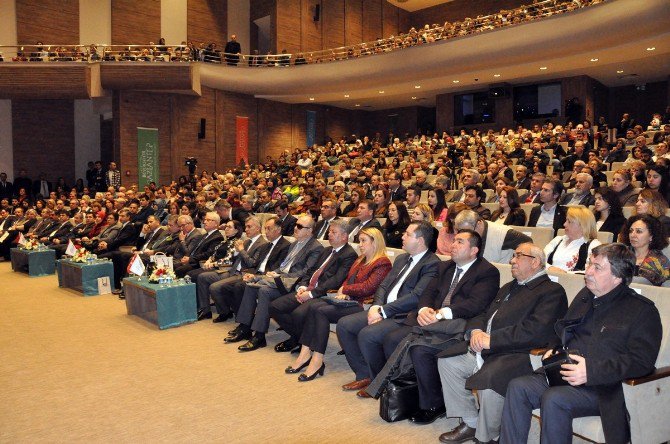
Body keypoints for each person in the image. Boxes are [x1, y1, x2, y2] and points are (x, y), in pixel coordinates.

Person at [500, 243, 662, 444]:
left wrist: (591, 371)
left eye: (597, 268)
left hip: (604, 387)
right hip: (564, 374)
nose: (588, 272)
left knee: (554, 398)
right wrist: (553, 350)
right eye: (589, 265)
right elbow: (562, 330)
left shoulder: (642, 311)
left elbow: (642, 362)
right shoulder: (586, 295)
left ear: (618, 277)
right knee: (518, 386)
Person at [435, 243, 568, 444]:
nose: (512, 260)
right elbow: (483, 313)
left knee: (490, 381)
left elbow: (535, 331)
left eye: (518, 256)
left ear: (535, 262)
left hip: (518, 353)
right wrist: (477, 331)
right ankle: (471, 422)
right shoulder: (510, 286)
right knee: (448, 363)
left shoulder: (552, 292)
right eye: (512, 255)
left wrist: (492, 340)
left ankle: (488, 436)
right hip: (486, 347)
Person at [406, 230, 501, 425]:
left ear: (474, 250)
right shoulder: (445, 266)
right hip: (435, 319)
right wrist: (424, 310)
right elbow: (427, 293)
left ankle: (434, 404)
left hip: (461, 324)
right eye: (454, 240)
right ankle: (413, 394)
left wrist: (441, 313)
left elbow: (477, 304)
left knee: (420, 349)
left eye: (460, 241)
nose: (453, 245)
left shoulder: (487, 272)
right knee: (395, 337)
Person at [337, 221, 440, 397]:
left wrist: (383, 311)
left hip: (403, 315)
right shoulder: (401, 258)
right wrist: (376, 306)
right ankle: (365, 374)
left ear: (421, 240)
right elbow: (383, 286)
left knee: (368, 334)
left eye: (407, 234)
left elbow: (416, 296)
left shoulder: (432, 263)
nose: (402, 236)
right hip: (383, 308)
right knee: (345, 325)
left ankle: (380, 382)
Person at [284, 227, 391, 380]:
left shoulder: (382, 263)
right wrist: (345, 291)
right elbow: (348, 278)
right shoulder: (361, 259)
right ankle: (305, 353)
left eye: (363, 241)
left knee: (319, 311)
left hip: (362, 305)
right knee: (314, 307)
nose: (360, 244)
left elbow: (369, 287)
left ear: (375, 243)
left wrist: (346, 289)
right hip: (348, 301)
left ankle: (317, 359)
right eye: (360, 241)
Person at [224, 215, 323, 351]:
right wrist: (270, 274)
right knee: (251, 286)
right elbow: (283, 266)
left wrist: (278, 275)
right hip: (280, 279)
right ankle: (245, 327)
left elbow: (305, 272)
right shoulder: (294, 244)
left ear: (310, 230)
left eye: (300, 226)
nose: (295, 228)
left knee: (264, 290)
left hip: (293, 284)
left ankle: (259, 336)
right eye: (296, 225)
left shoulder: (316, 247)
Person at [268, 220, 358, 355]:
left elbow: (335, 280)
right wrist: (303, 286)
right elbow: (312, 270)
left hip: (323, 294)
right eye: (329, 231)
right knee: (275, 307)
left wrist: (311, 294)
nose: (330, 234)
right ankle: (298, 338)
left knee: (298, 314)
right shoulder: (327, 250)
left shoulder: (349, 254)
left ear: (345, 236)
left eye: (334, 232)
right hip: (309, 289)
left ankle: (300, 341)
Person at [208, 216, 290, 322]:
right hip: (244, 272)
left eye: (268, 228)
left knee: (237, 286)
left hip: (263, 276)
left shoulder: (281, 245)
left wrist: (242, 251)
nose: (266, 231)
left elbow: (258, 265)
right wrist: (237, 252)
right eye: (265, 228)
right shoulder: (262, 244)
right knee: (224, 287)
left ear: (278, 230)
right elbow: (254, 264)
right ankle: (239, 317)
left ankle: (244, 320)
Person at [192, 218, 259, 320]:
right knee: (201, 277)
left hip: (234, 271)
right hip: (231, 270)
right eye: (246, 227)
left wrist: (214, 264)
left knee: (214, 286)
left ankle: (225, 312)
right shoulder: (244, 242)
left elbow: (233, 260)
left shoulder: (240, 242)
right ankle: (205, 309)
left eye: (229, 227)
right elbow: (217, 254)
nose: (247, 229)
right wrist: (210, 260)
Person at [453, 210, 532, 264]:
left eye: (468, 231)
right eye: (460, 231)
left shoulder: (504, 233)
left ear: (479, 223)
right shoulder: (471, 231)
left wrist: (514, 259)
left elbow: (528, 242)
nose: (464, 234)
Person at [544, 206, 601, 273]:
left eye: (569, 222)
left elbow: (593, 271)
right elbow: (540, 260)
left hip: (574, 282)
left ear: (583, 225)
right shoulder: (558, 240)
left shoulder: (593, 245)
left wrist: (565, 274)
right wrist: (550, 267)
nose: (564, 224)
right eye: (566, 220)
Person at [620, 214, 670, 286]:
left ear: (651, 236)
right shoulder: (620, 254)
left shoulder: (660, 261)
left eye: (639, 231)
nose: (632, 235)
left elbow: (664, 290)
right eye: (631, 231)